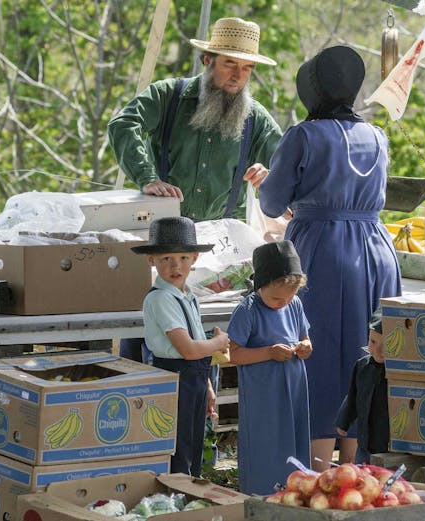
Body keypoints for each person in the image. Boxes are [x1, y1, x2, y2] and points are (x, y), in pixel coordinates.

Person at [258, 46, 402, 470]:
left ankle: (319, 471)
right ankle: (358, 470)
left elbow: (271, 202)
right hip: (375, 248)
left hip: (319, 247)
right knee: (368, 352)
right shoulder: (377, 135)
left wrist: (269, 181)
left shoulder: (302, 135)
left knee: (316, 351)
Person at [108, 17, 283, 362]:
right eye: (229, 64)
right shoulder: (168, 96)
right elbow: (123, 124)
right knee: (143, 343)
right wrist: (146, 177)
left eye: (246, 68)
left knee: (206, 347)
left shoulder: (255, 118)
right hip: (162, 246)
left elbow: (287, 165)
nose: (237, 76)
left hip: (218, 254)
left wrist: (270, 175)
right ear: (207, 60)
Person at [131, 216, 230, 476]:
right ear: (151, 259)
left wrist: (207, 384)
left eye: (183, 258)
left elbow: (195, 346)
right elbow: (187, 349)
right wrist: (219, 342)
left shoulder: (188, 296)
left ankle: (190, 493)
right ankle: (176, 498)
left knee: (194, 443)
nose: (176, 266)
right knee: (178, 447)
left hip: (194, 377)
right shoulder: (161, 298)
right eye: (166, 259)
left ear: (195, 258)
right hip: (175, 377)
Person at [227, 240, 312, 495]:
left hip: (294, 386)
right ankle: (260, 491)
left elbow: (305, 336)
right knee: (265, 439)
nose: (283, 302)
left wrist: (306, 346)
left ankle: (296, 491)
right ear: (260, 285)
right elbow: (233, 354)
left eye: (290, 296)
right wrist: (269, 352)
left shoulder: (293, 305)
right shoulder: (248, 310)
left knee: (294, 436)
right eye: (276, 297)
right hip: (263, 392)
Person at [335, 309, 389, 464]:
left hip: (387, 439)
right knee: (363, 471)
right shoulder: (362, 366)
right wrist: (343, 421)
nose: (378, 350)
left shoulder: (398, 372)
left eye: (386, 345)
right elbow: (353, 395)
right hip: (365, 438)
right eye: (373, 342)